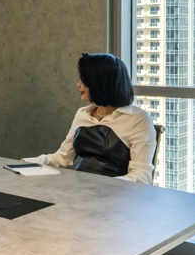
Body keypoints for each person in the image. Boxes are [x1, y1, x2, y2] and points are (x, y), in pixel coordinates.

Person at [26, 53, 156, 183]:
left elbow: (141, 175)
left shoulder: (138, 119)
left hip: (116, 196)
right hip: (79, 189)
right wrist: (24, 163)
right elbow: (62, 158)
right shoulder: (82, 113)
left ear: (101, 83)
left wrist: (102, 186)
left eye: (84, 80)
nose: (78, 84)